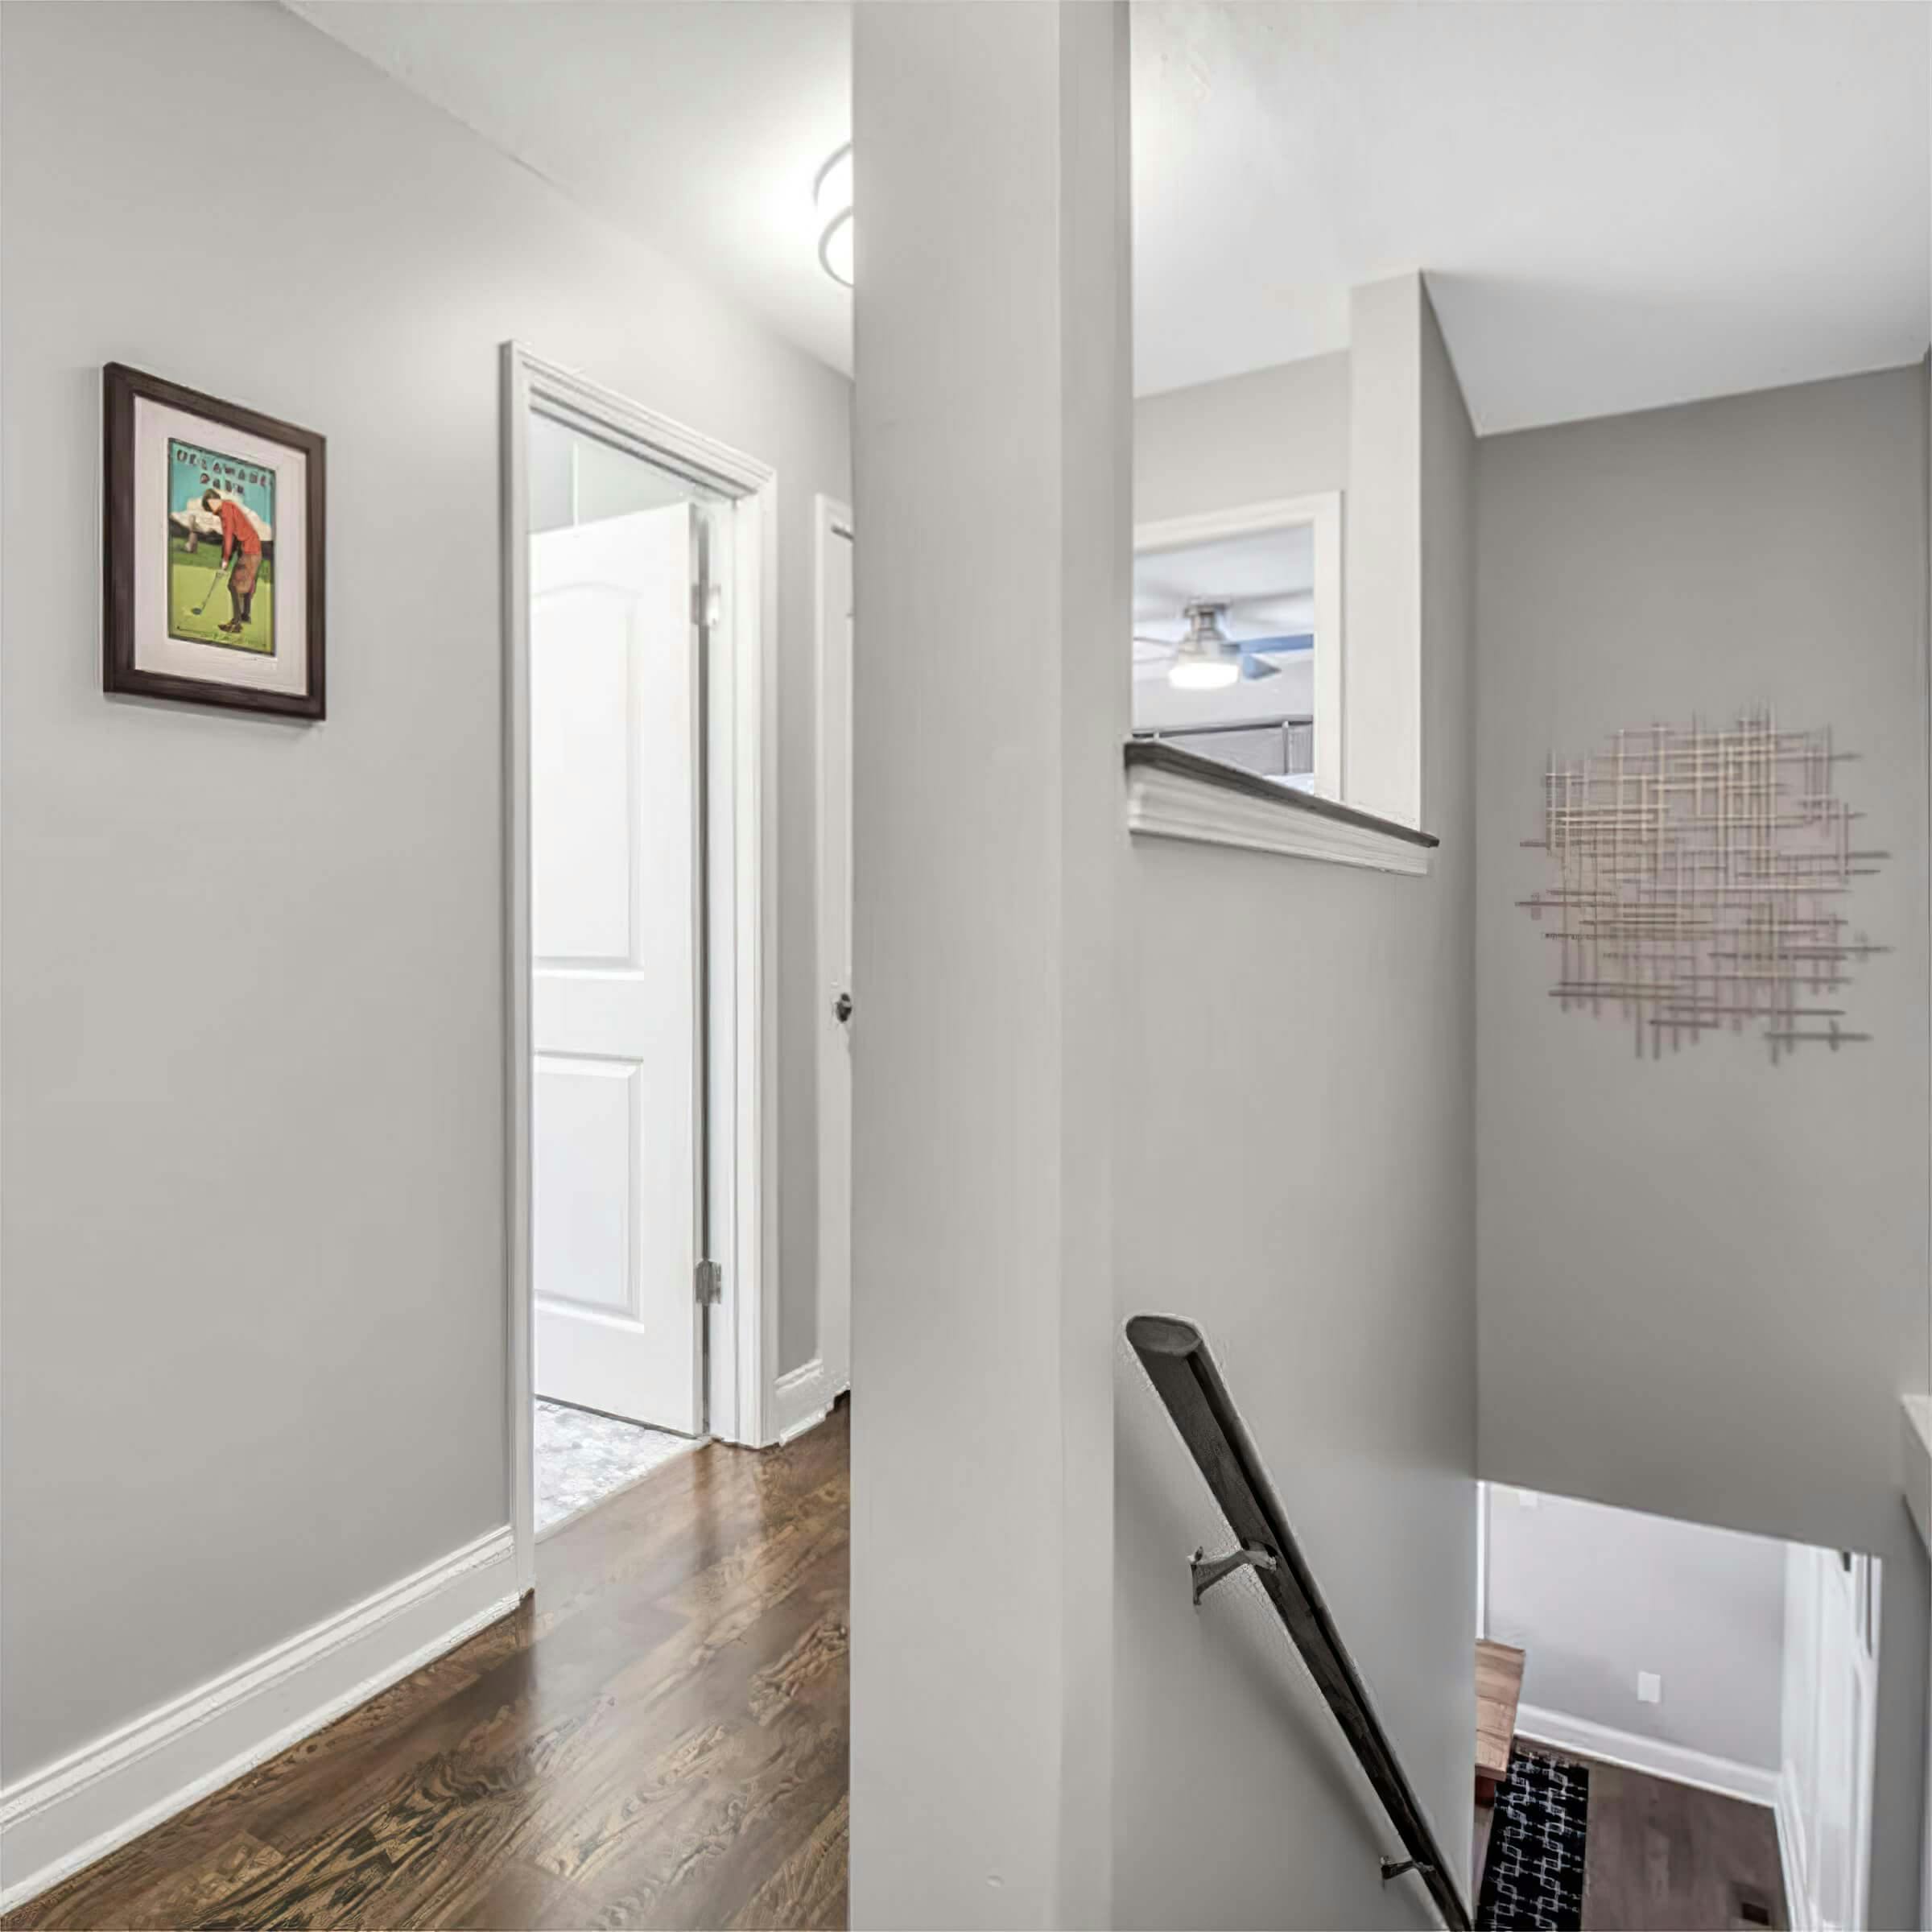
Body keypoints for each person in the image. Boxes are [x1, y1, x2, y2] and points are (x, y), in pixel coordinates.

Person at [202, 488, 262, 637]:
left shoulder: (225, 511)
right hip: (253, 549)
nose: (211, 510)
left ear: (215, 500)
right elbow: (236, 535)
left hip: (249, 550)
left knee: (233, 584)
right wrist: (229, 557)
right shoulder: (229, 506)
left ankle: (236, 623)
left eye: (210, 506)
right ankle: (245, 615)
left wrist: (225, 560)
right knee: (247, 583)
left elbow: (228, 537)